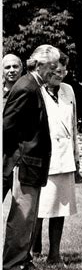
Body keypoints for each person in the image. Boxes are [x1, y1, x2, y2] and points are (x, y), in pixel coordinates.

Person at [3, 44, 60, 270]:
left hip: (31, 163)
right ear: (39, 64)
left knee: (28, 216)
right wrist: (16, 156)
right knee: (22, 217)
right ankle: (12, 264)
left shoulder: (33, 85)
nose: (54, 72)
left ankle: (22, 260)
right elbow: (6, 126)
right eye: (52, 67)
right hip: (25, 163)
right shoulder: (27, 87)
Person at [30, 51, 79, 265]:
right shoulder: (36, 89)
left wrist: (75, 154)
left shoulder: (68, 90)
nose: (59, 74)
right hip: (43, 156)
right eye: (56, 70)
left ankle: (55, 253)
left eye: (63, 71)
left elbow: (73, 123)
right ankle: (31, 251)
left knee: (60, 207)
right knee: (39, 207)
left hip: (65, 156)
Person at [2, 54, 24, 198]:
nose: (11, 70)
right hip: (2, 159)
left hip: (22, 161)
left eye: (15, 66)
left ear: (21, 68)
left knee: (21, 213)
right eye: (7, 67)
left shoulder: (29, 92)